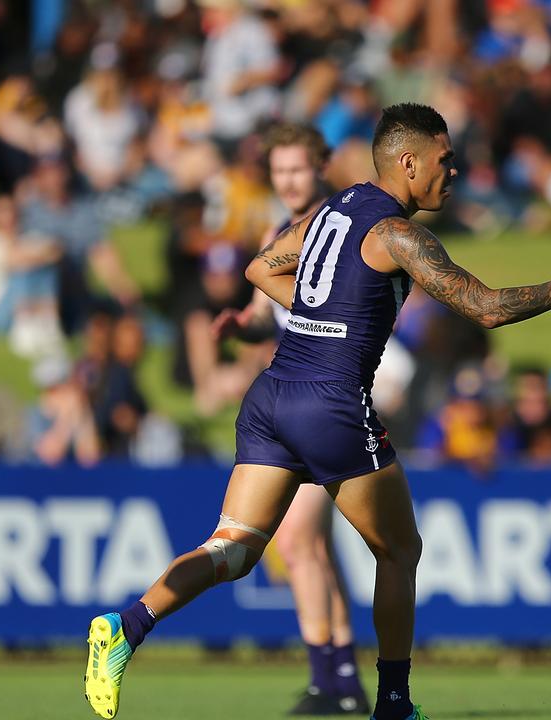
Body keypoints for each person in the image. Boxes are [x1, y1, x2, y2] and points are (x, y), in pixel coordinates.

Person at [83, 103, 551, 720]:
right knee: (400, 551)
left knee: (234, 549)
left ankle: (127, 625)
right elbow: (484, 307)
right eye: (445, 159)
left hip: (272, 395)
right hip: (330, 403)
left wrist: (311, 320)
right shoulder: (397, 233)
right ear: (409, 163)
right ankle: (395, 704)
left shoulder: (334, 208)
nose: (453, 172)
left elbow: (259, 267)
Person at [212, 122, 370, 715]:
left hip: (332, 396)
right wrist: (240, 324)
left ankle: (334, 677)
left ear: (321, 167)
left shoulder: (345, 225)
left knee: (302, 542)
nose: (288, 181)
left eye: (298, 170)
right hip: (304, 399)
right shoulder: (280, 233)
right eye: (278, 172)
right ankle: (339, 678)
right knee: (310, 547)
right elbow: (265, 314)